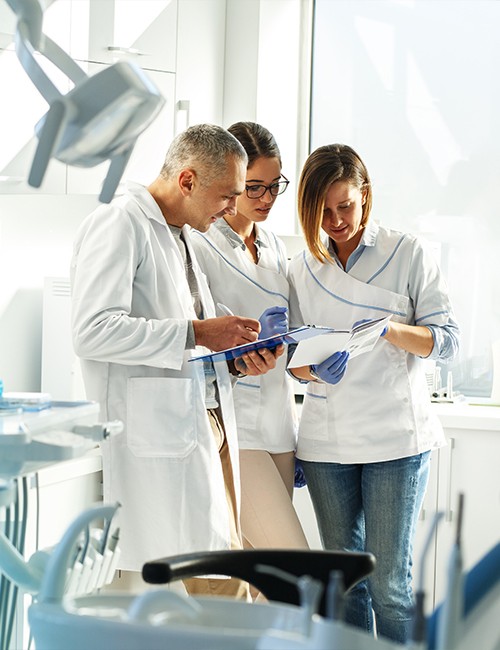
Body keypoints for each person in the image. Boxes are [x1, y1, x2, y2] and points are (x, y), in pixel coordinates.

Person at [70, 123, 284, 599]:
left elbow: (188, 332)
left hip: (207, 420)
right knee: (225, 587)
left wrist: (234, 355)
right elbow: (92, 330)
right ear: (187, 180)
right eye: (227, 195)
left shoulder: (179, 231)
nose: (233, 208)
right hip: (166, 429)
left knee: (229, 573)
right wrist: (199, 333)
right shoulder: (120, 222)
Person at [287, 143, 460, 643]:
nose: (336, 220)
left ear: (365, 195)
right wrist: (311, 373)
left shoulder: (408, 253)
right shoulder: (302, 269)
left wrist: (388, 331)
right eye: (323, 210)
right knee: (344, 585)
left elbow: (446, 341)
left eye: (345, 205)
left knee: (389, 585)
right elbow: (292, 363)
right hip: (326, 441)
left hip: (394, 440)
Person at [191, 122, 308, 554]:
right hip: (234, 424)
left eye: (274, 186)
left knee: (263, 589)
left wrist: (309, 357)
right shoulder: (200, 242)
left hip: (279, 424)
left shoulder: (276, 246)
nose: (265, 199)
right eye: (253, 187)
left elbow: (289, 338)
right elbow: (195, 337)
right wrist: (244, 342)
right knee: (294, 569)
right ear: (233, 181)